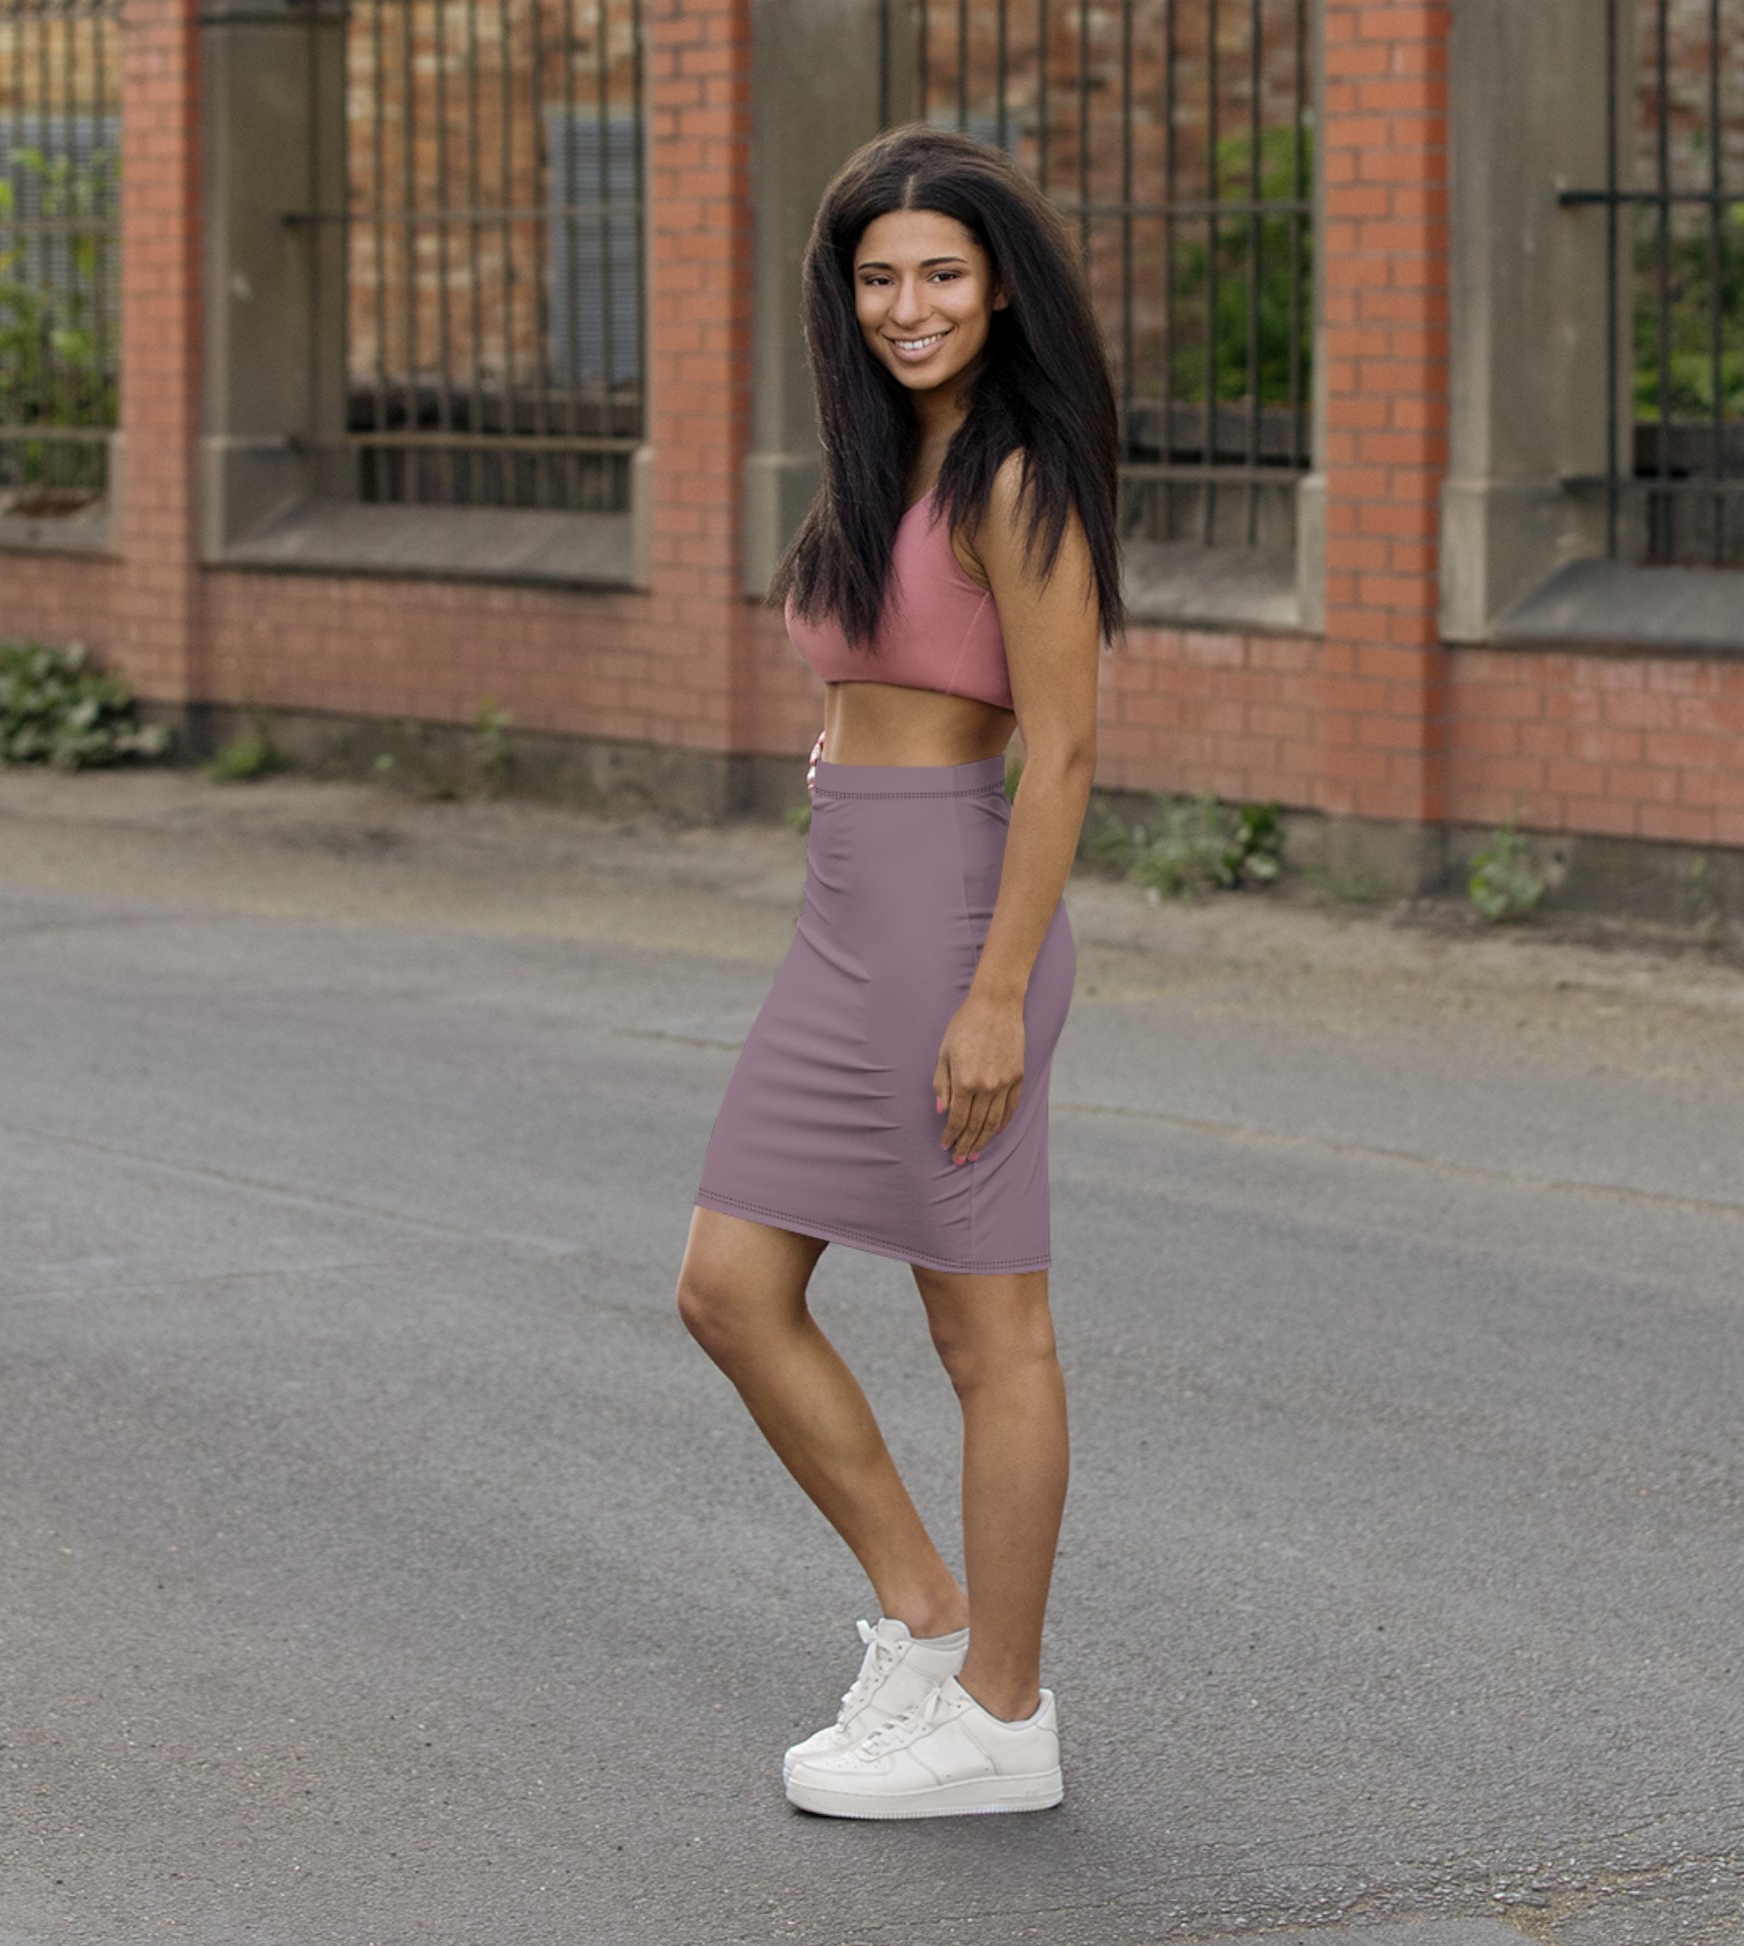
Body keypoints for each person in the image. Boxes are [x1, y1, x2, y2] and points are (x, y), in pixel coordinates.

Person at [674, 122, 1124, 1821]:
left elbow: (1061, 750)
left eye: (941, 272)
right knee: (727, 1285)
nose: (908, 305)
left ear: (999, 287)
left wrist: (995, 992)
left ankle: (1002, 1715)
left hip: (950, 919)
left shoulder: (1016, 476)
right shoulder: (885, 460)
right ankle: (926, 1620)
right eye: (878, 277)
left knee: (986, 1327)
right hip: (845, 913)